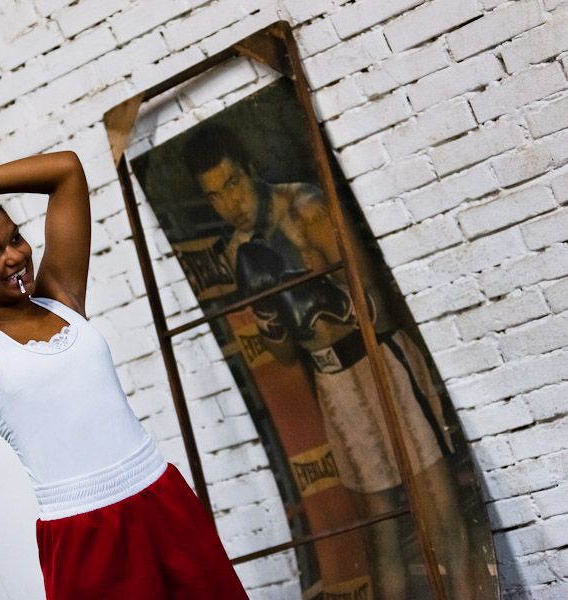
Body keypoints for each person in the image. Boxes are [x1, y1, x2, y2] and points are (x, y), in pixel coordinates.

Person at [0, 152, 248, 600]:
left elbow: (66, 171)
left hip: (162, 496)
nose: (16, 257)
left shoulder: (60, 297)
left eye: (15, 239)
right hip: (86, 535)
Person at [183, 125, 473, 600]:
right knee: (382, 541)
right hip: (332, 381)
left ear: (252, 172)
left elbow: (374, 303)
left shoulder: (306, 207)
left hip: (381, 362)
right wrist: (271, 308)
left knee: (440, 520)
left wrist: (311, 284)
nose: (229, 203)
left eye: (232, 183)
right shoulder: (240, 251)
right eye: (214, 195)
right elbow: (282, 355)